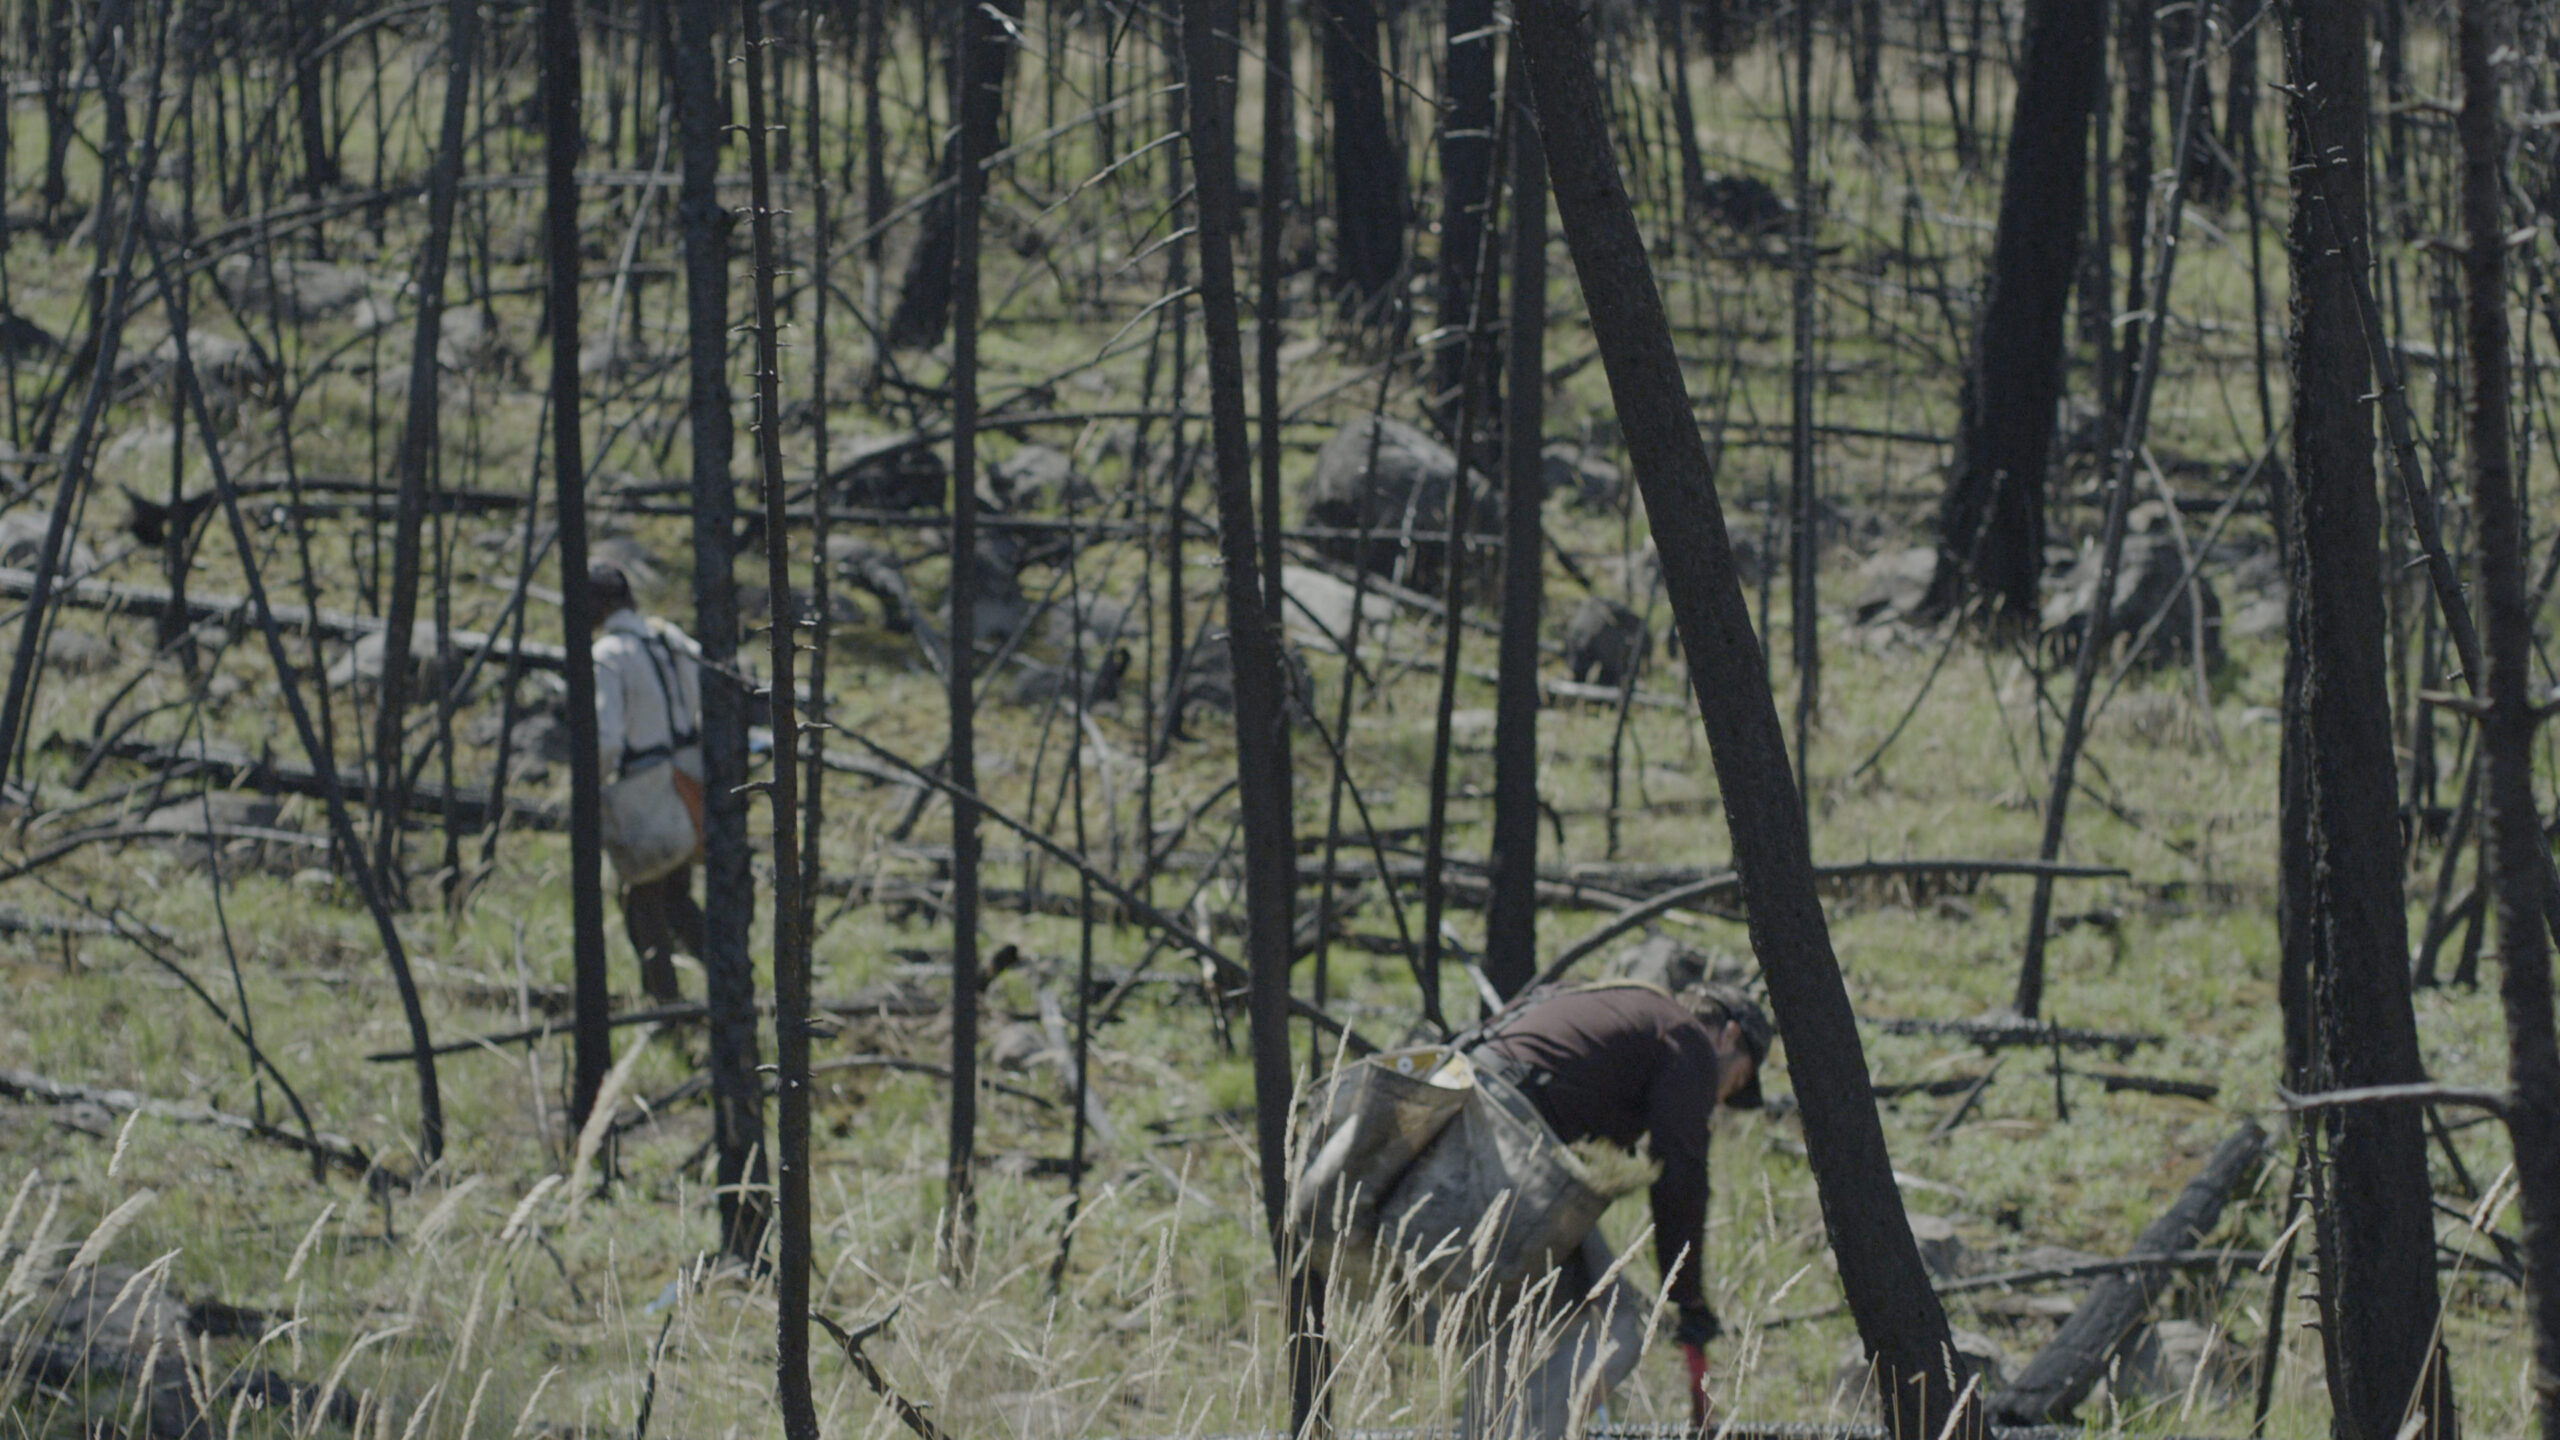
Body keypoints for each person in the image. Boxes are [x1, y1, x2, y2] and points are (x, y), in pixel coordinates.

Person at [1464, 979, 1771, 1439]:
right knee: (1616, 1326)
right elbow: (1680, 1176)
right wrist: (1685, 1296)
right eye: (1738, 1079)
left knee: (1508, 1329)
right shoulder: (1687, 1039)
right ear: (1727, 1036)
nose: (1722, 1097)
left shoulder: (1618, 1005)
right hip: (1510, 1143)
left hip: (1470, 1122)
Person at [589, 562, 706, 1003]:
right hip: (688, 781)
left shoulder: (609, 655)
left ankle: (666, 1007)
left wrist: (595, 791)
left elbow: (606, 737)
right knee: (676, 896)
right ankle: (732, 987)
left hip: (646, 791)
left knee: (641, 903)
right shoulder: (670, 638)